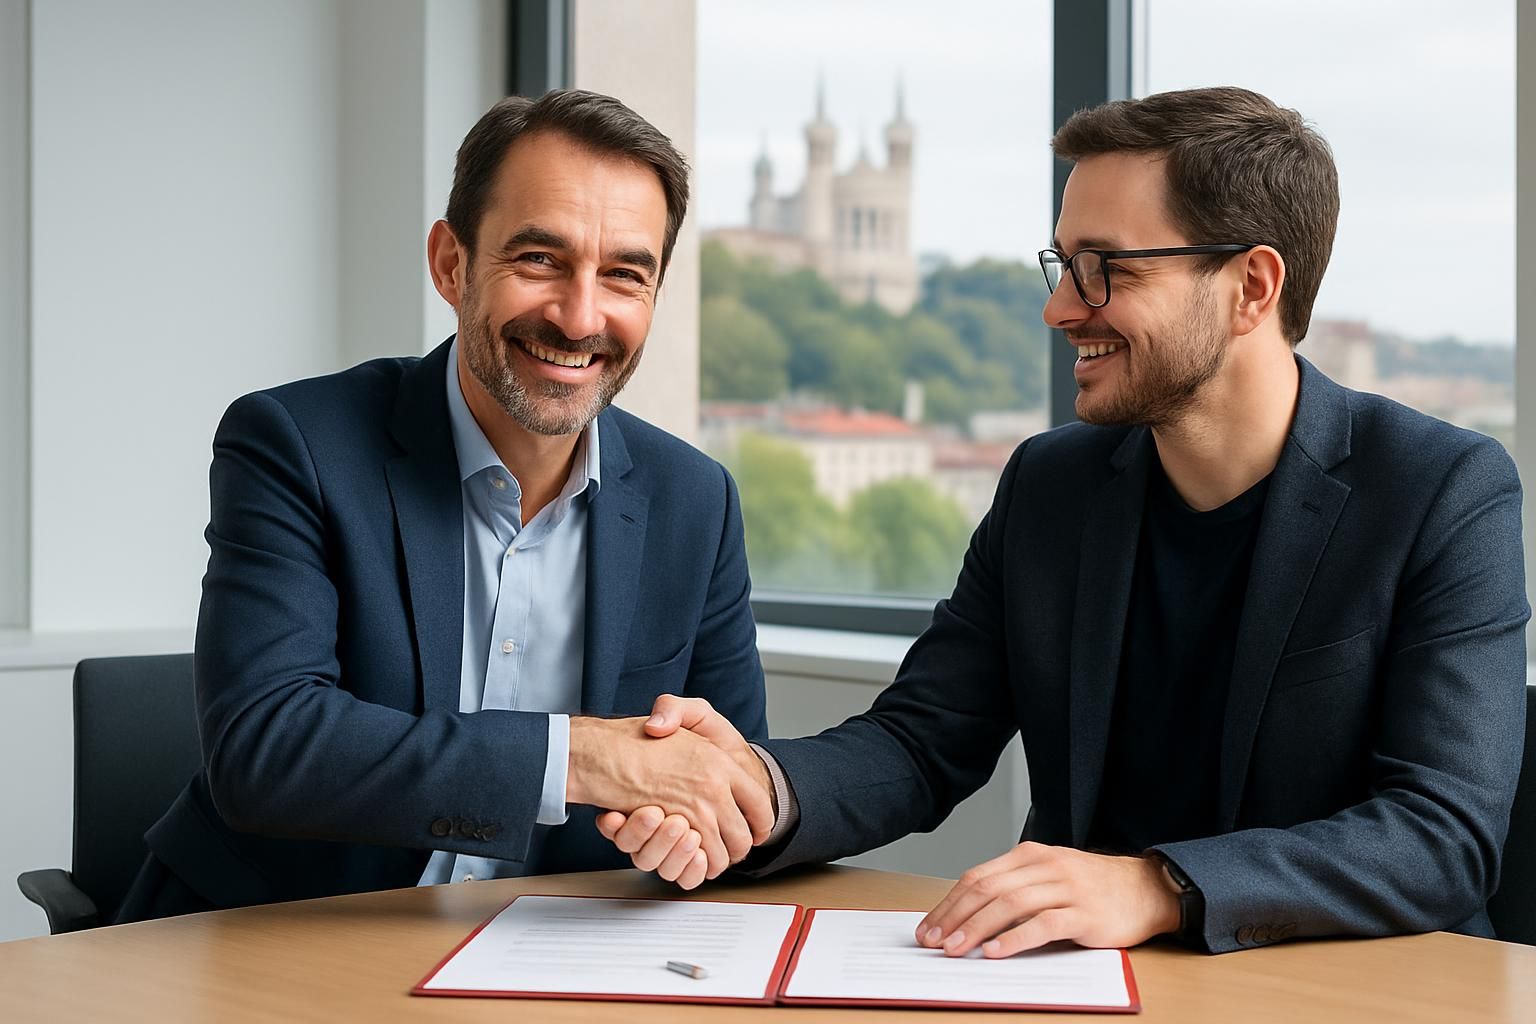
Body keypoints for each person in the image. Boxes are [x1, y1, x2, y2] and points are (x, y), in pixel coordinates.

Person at [599, 86, 1530, 955]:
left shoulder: (1443, 490)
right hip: (1076, 983)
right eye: (1063, 266)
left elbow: (1439, 833)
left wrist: (1160, 886)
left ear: (1252, 286)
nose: (1058, 308)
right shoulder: (1051, 484)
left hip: (1355, 990)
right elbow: (922, 741)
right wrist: (759, 791)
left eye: (1102, 271)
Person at [117, 89, 773, 922]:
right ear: (452, 264)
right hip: (272, 941)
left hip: (546, 960)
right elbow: (266, 748)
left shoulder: (696, 500)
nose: (579, 316)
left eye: (623, 275)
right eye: (539, 259)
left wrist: (692, 831)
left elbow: (729, 781)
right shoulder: (295, 444)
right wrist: (583, 756)